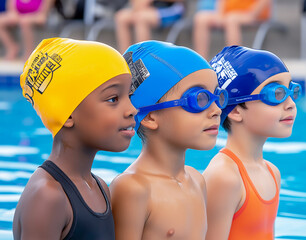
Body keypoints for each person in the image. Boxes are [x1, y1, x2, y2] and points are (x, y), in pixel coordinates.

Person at [13, 37, 137, 240]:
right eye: (113, 99)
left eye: (129, 96)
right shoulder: (48, 196)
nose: (132, 109)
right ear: (67, 114)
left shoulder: (100, 188)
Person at [110, 40, 228, 240]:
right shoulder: (133, 189)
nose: (216, 110)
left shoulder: (197, 181)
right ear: (149, 116)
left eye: (217, 96)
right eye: (199, 99)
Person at [204, 46, 302, 239]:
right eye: (277, 94)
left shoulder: (273, 173)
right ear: (235, 110)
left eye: (291, 90)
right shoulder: (224, 177)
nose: (291, 103)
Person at [193, 0, 271, 60]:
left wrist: (252, 14)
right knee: (201, 18)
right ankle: (201, 62)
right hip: (229, 12)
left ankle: (232, 61)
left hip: (253, 13)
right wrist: (220, 14)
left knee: (231, 20)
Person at [114, 0, 185, 53]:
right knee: (121, 17)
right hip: (146, 9)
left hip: (170, 8)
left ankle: (143, 59)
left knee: (141, 18)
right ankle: (125, 58)